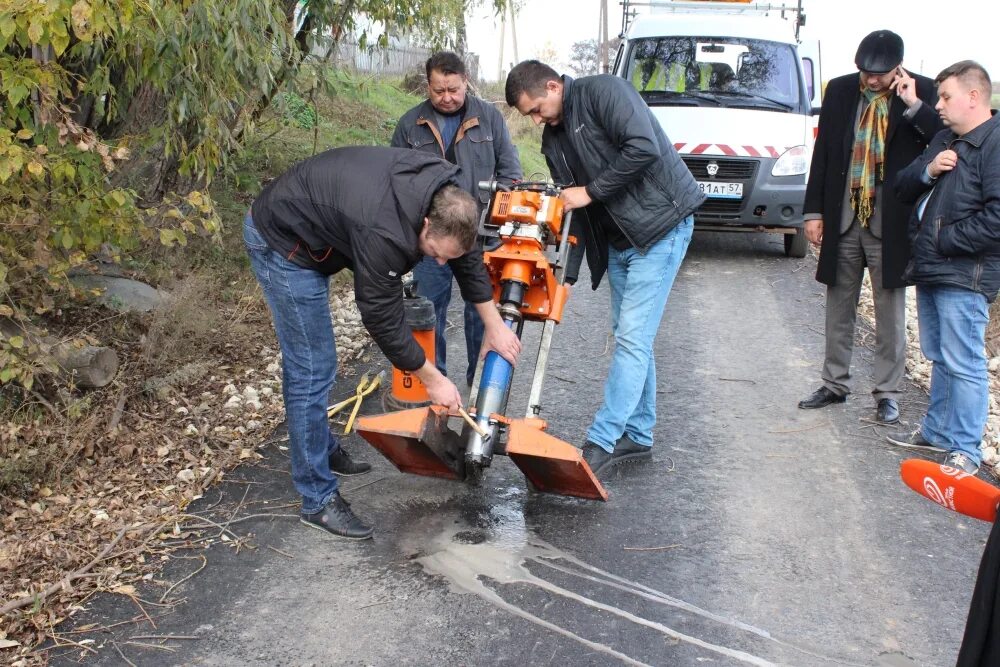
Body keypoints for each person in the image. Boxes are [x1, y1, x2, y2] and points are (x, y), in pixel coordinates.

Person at [244, 146, 522, 539]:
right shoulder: (385, 231)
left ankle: (318, 450)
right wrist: (432, 378)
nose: (441, 264)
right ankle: (317, 499)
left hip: (324, 223)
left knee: (314, 363)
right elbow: (381, 318)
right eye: (435, 255)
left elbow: (467, 259)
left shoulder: (452, 202)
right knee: (312, 367)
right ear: (425, 226)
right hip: (284, 241)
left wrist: (493, 325)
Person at [504, 60, 704, 478]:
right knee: (631, 336)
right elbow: (571, 211)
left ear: (554, 85)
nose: (537, 119)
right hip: (617, 241)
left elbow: (643, 147)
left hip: (661, 226)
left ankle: (603, 439)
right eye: (530, 116)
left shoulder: (605, 92)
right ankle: (639, 433)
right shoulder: (552, 141)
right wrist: (565, 274)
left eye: (538, 108)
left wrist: (591, 191)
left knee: (632, 337)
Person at [797, 30, 942, 425]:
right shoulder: (841, 91)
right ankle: (834, 383)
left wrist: (912, 103)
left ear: (897, 68)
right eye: (866, 71)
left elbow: (942, 140)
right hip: (843, 214)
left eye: (879, 74)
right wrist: (813, 211)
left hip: (890, 220)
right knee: (838, 306)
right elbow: (824, 151)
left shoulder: (923, 91)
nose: (871, 79)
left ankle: (888, 393)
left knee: (890, 312)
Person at [888, 60, 1000, 475]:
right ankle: (937, 432)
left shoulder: (994, 144)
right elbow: (901, 186)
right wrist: (929, 169)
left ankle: (966, 450)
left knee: (964, 360)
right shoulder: (944, 138)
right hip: (932, 268)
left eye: (946, 96)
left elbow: (998, 218)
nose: (938, 104)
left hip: (964, 274)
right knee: (939, 355)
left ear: (974, 97)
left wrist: (943, 240)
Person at [391, 51, 522, 388]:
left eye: (453, 89)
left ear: (466, 82)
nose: (446, 97)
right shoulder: (409, 124)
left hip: (481, 235)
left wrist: (496, 216)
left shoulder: (490, 118)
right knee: (428, 309)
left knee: (481, 312)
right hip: (431, 239)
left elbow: (511, 173)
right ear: (428, 85)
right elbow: (396, 180)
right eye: (438, 91)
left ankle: (480, 385)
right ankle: (434, 382)